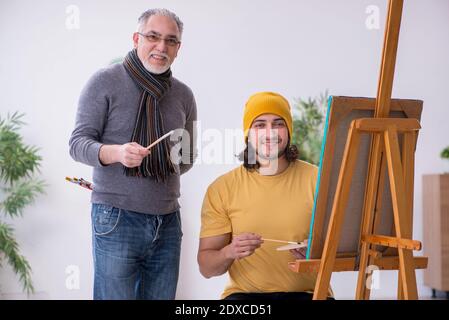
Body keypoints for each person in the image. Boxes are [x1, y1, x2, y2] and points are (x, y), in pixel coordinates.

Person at [69, 8, 197, 300]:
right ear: (136, 38)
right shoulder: (104, 81)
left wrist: (166, 158)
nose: (161, 47)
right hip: (115, 217)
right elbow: (77, 143)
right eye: (153, 37)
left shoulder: (184, 95)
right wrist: (117, 153)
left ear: (178, 48)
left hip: (167, 221)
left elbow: (187, 159)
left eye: (170, 40)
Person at [198, 92, 331, 300]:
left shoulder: (319, 180)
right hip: (244, 297)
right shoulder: (222, 188)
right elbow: (206, 268)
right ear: (248, 134)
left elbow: (349, 250)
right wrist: (229, 252)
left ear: (288, 131)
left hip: (309, 294)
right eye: (260, 125)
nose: (270, 133)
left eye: (278, 123)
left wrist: (319, 254)